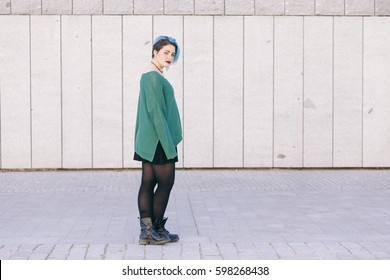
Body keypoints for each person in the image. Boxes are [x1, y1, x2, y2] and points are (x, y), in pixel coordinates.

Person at [133, 35, 182, 245]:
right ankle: (152, 229)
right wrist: (168, 143)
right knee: (165, 182)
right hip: (158, 140)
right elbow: (155, 111)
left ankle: (152, 230)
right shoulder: (152, 77)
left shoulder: (153, 75)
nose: (170, 56)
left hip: (152, 138)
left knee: (149, 181)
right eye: (166, 52)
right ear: (155, 52)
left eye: (172, 53)